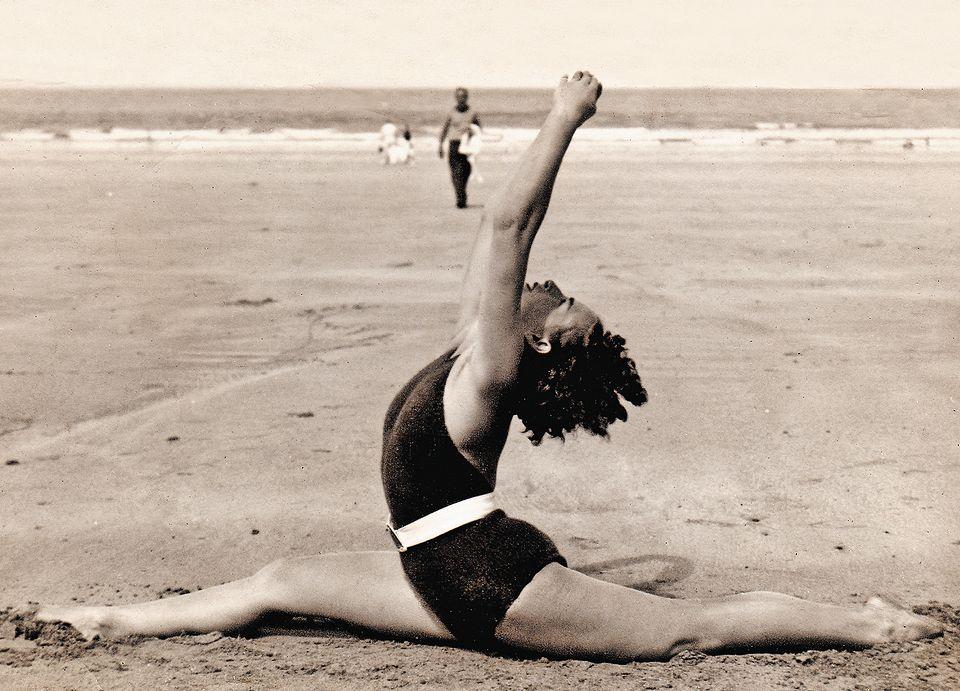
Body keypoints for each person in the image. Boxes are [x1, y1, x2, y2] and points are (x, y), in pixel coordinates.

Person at [37, 71, 941, 661]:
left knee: (685, 630)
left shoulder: (493, 370)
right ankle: (110, 621)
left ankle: (868, 623)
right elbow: (494, 245)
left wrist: (563, 117)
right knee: (278, 580)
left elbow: (508, 227)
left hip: (484, 573)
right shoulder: (476, 350)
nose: (553, 284)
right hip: (436, 563)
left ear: (543, 340)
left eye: (568, 299)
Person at [438, 87, 481, 208]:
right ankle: (460, 197)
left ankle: (461, 192)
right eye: (458, 97)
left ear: (466, 98)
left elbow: (478, 129)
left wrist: (473, 134)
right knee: (455, 172)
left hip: (467, 145)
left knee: (466, 170)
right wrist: (440, 145)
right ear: (456, 98)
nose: (461, 99)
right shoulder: (451, 112)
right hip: (454, 144)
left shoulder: (472, 113)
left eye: (463, 97)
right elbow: (445, 129)